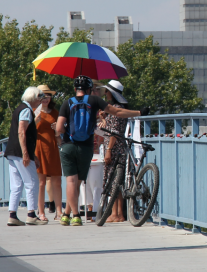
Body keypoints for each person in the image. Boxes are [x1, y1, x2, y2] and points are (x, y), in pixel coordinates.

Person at [55, 75, 147, 226]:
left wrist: (64, 139)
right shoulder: (95, 101)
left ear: (75, 89)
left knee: (70, 181)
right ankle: (70, 214)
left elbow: (58, 128)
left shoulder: (67, 103)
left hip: (68, 146)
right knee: (78, 182)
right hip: (85, 147)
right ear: (89, 89)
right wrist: (139, 112)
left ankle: (71, 215)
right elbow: (117, 112)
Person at [4, 86, 49, 226]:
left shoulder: (20, 108)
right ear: (35, 98)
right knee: (32, 182)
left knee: (16, 185)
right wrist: (26, 153)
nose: (41, 101)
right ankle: (31, 214)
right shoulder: (26, 110)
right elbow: (22, 132)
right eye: (40, 98)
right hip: (19, 152)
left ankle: (12, 215)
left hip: (12, 152)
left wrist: (32, 155)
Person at [99, 80, 130, 223]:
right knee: (117, 181)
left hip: (114, 148)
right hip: (118, 147)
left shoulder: (116, 109)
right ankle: (116, 213)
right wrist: (104, 118)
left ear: (111, 93)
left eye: (106, 91)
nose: (105, 94)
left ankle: (116, 214)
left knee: (113, 180)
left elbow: (115, 132)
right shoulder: (117, 109)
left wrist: (109, 150)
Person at [33, 84, 63, 222]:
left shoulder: (55, 113)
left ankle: (59, 212)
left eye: (48, 95)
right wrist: (35, 121)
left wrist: (57, 131)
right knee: (41, 182)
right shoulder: (33, 111)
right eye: (42, 96)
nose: (46, 98)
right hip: (39, 148)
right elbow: (26, 132)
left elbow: (59, 137)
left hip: (52, 147)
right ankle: (41, 212)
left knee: (57, 181)